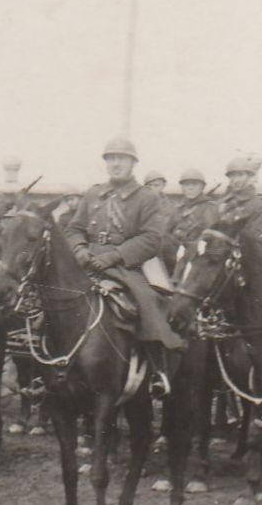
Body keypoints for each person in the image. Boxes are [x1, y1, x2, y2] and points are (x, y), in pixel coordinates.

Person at [65, 136, 185, 393]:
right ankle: (49, 366)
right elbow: (74, 228)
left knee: (146, 304)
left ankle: (157, 370)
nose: (116, 163)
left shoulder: (146, 198)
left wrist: (114, 255)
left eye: (122, 159)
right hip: (87, 262)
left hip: (127, 266)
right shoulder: (93, 194)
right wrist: (79, 249)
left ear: (133, 164)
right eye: (111, 159)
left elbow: (151, 238)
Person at [167, 168, 219, 266]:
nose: (190, 188)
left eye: (194, 184)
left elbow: (210, 236)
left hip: (195, 256)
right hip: (173, 253)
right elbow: (167, 231)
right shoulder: (178, 208)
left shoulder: (208, 207)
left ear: (202, 187)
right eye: (186, 185)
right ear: (182, 187)